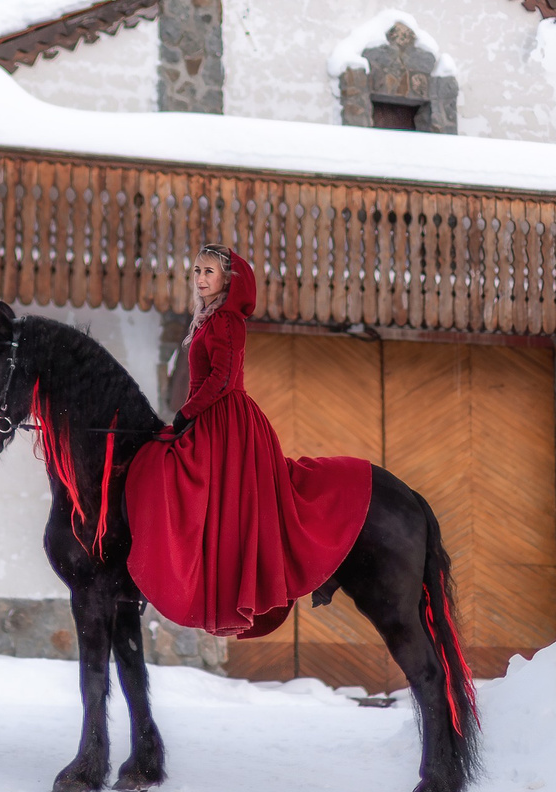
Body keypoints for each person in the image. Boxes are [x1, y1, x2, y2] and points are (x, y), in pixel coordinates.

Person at [125, 245, 373, 639]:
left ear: (228, 279)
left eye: (209, 271)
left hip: (224, 420)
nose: (201, 278)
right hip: (212, 417)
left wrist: (187, 414)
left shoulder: (226, 320)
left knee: (165, 469)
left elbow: (222, 380)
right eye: (197, 271)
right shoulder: (209, 320)